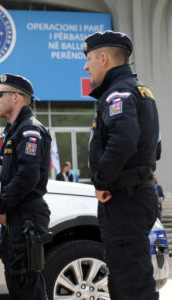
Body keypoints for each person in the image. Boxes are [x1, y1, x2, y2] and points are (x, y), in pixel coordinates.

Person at [84, 30, 160, 300]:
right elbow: (154, 146)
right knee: (126, 278)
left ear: (103, 58)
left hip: (125, 198)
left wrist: (102, 181)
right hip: (135, 193)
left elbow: (125, 139)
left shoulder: (119, 93)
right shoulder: (140, 91)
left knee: (132, 284)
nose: (86, 65)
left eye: (89, 59)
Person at [0, 74, 51, 299]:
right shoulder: (12, 132)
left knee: (27, 284)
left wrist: (1, 206)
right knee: (16, 283)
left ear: (15, 97)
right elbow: (2, 178)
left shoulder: (29, 130)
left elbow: (27, 176)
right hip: (15, 217)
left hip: (26, 217)